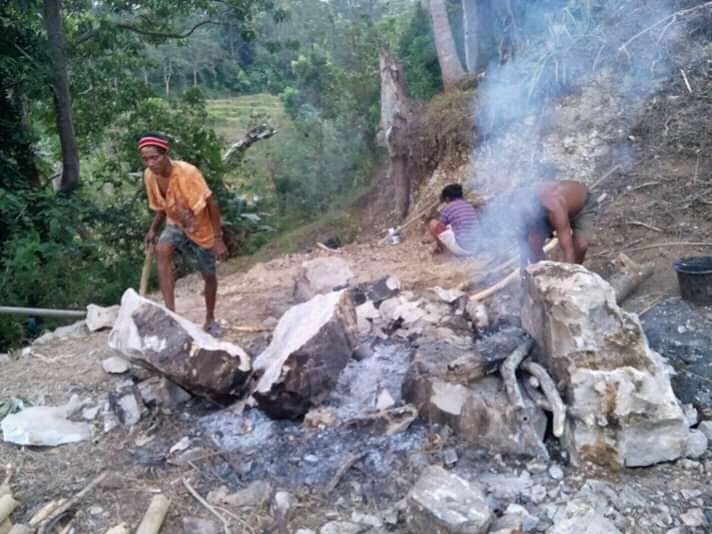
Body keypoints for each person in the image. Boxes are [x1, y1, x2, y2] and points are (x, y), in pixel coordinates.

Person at [139, 133, 227, 335]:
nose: (150, 163)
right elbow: (162, 206)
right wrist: (153, 229)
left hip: (201, 228)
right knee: (162, 250)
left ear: (166, 154)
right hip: (176, 223)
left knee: (209, 275)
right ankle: (172, 316)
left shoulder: (188, 173)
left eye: (154, 157)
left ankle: (210, 319)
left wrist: (218, 238)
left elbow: (212, 203)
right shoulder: (149, 176)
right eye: (145, 159)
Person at [519, 180, 594, 269]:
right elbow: (524, 244)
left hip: (581, 207)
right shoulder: (523, 205)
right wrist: (525, 272)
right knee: (533, 242)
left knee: (581, 245)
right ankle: (543, 273)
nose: (528, 218)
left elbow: (567, 247)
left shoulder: (553, 205)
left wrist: (569, 274)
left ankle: (576, 270)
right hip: (549, 212)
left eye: (528, 215)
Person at [428, 183, 479, 256]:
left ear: (447, 198)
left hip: (464, 248)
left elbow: (440, 226)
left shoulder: (448, 208)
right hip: (476, 247)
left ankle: (441, 249)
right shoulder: (469, 205)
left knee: (433, 223)